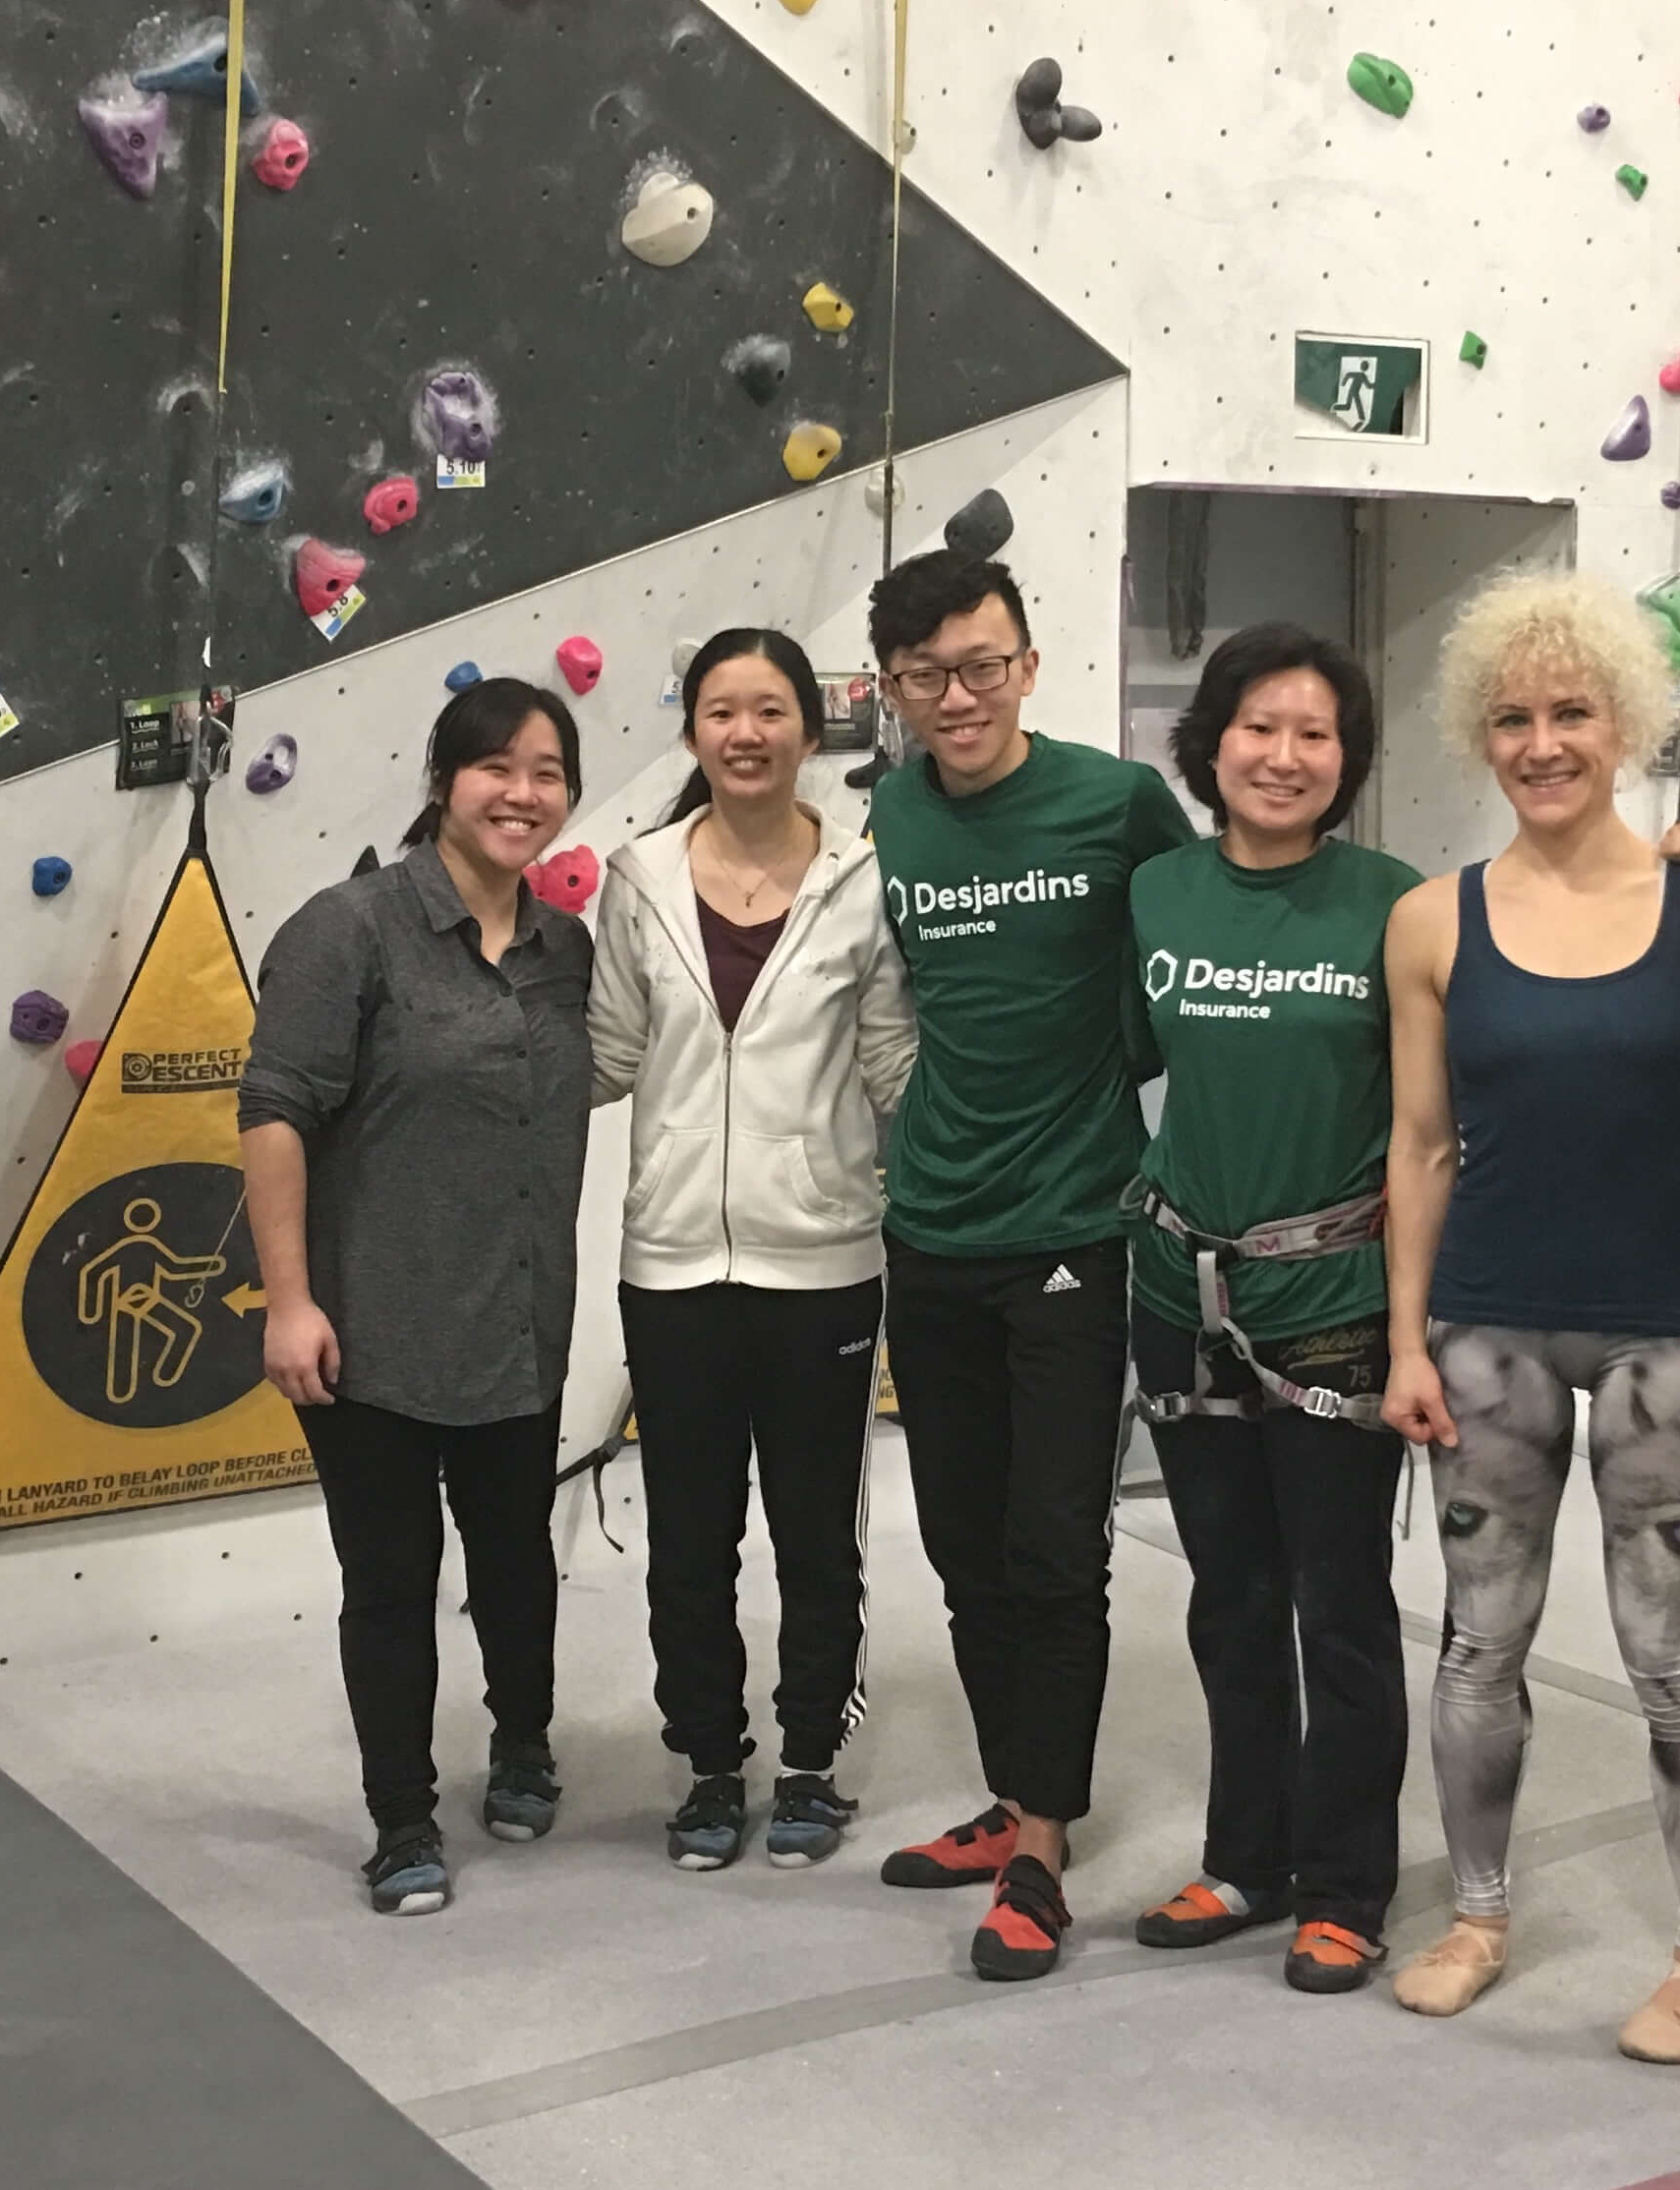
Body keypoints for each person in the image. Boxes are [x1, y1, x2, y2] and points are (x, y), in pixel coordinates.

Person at [1379, 569, 1680, 2062]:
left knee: (1670, 1654)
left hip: (1664, 1327)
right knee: (1478, 1646)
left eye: (1570, 711)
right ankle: (1476, 1913)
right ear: (1477, 735)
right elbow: (1416, 1147)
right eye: (1510, 718)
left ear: (1627, 722)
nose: (1541, 741)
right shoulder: (1431, 919)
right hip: (1485, 1324)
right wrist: (1405, 1338)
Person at [863, 548, 1195, 1979]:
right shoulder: (886, 814)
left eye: (983, 664)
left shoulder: (1116, 800)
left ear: (1028, 662)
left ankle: (1043, 1848)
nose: (959, 695)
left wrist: (1111, 1074)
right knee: (960, 1547)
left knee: (1054, 1548)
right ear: (890, 690)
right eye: (926, 674)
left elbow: (1199, 945)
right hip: (925, 1231)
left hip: (1069, 1229)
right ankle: (1009, 1793)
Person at [238, 677, 594, 1917]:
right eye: (497, 767)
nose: (523, 792)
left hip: (515, 1318)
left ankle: (525, 1745)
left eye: (548, 771)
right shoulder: (351, 930)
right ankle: (401, 1817)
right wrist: (290, 1301)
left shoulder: (564, 949)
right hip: (372, 1329)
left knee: (515, 1565)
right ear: (445, 781)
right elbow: (275, 1112)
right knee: (389, 1580)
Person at [1120, 624, 1417, 1996]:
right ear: (1212, 741)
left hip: (1334, 1305)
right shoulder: (1158, 895)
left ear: (1345, 757)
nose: (1283, 754)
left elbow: (1434, 1129)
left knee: (1338, 1601)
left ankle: (1347, 1881)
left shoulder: (1396, 905)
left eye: (1314, 732)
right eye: (1258, 725)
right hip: (1181, 1290)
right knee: (1231, 1595)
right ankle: (1245, 1854)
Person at [589, 628, 915, 1873]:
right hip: (671, 1263)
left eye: (770, 708)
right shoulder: (639, 877)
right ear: (690, 734)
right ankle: (711, 1766)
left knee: (817, 1533)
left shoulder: (863, 876)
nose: (745, 731)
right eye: (720, 710)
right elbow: (607, 1056)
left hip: (824, 1258)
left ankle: (812, 1769)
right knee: (688, 1533)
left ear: (808, 728)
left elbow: (894, 1065)